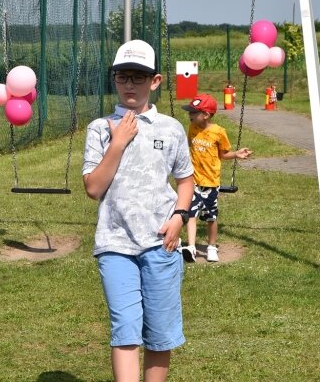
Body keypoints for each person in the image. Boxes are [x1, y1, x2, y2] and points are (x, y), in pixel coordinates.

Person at [82, 39, 194, 382]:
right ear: (114, 79)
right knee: (126, 331)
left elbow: (186, 180)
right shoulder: (100, 129)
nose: (130, 84)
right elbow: (93, 188)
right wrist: (118, 142)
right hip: (115, 245)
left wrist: (179, 217)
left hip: (161, 245)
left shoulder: (171, 129)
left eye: (139, 77)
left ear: (155, 81)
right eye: (123, 77)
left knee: (160, 333)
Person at [180, 93, 252, 263]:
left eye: (193, 112)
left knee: (210, 217)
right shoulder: (192, 128)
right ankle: (191, 247)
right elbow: (189, 148)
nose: (189, 115)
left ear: (205, 115)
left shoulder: (219, 132)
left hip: (211, 182)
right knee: (191, 214)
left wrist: (236, 154)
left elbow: (223, 154)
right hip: (194, 180)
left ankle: (211, 246)